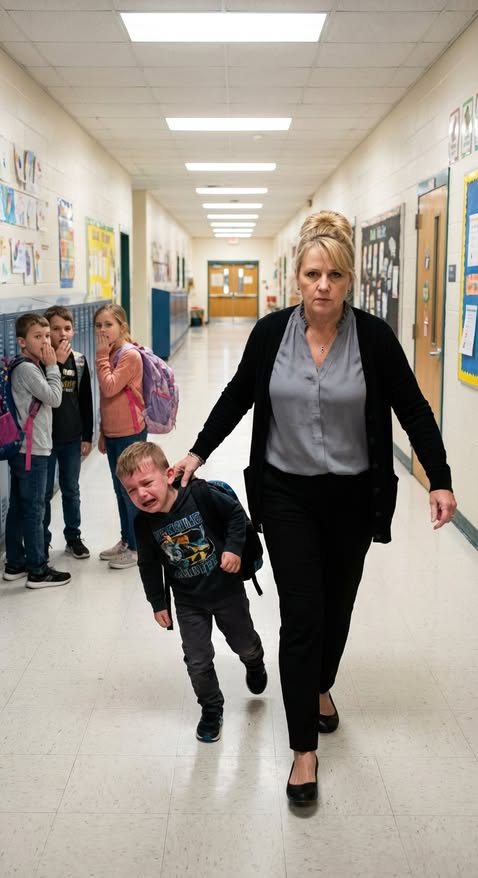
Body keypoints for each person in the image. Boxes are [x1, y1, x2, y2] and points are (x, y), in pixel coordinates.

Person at [176, 209, 456, 806]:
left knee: (337, 605)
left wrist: (440, 478)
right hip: (285, 494)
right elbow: (237, 396)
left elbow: (412, 408)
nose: (322, 285)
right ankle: (304, 748)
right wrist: (198, 451)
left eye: (333, 275)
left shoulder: (374, 338)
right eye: (311, 274)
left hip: (354, 495)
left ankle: (321, 684)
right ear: (297, 279)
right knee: (303, 612)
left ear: (348, 279)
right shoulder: (271, 334)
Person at [116, 441, 267, 743]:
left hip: (227, 590)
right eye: (131, 490)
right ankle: (211, 709)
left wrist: (234, 550)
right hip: (188, 601)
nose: (141, 494)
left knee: (243, 642)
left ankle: (254, 659)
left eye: (146, 483)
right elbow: (148, 564)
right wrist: (158, 602)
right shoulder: (143, 523)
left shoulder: (199, 495)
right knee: (196, 659)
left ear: (168, 473)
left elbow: (237, 515)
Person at [3, 313, 71, 588]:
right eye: (37, 337)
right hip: (33, 450)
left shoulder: (26, 365)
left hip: (23, 449)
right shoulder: (29, 369)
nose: (45, 342)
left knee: (19, 506)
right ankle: (38, 571)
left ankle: (15, 563)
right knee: (33, 510)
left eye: (46, 336)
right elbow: (54, 398)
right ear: (22, 342)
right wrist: (54, 366)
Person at [94, 304, 147, 569]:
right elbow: (105, 400)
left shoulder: (128, 355)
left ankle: (138, 548)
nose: (102, 331)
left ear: (122, 327)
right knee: (119, 489)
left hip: (130, 431)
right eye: (99, 325)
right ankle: (126, 540)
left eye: (108, 325)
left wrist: (102, 357)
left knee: (132, 491)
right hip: (114, 431)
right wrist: (103, 432)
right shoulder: (111, 353)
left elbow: (110, 386)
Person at [43, 306, 93, 561]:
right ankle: (42, 540)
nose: (62, 333)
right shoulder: (41, 362)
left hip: (72, 438)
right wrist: (58, 365)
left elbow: (86, 401)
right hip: (45, 441)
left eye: (67, 328)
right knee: (43, 493)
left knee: (71, 489)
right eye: (55, 328)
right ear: (46, 331)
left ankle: (73, 537)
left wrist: (88, 436)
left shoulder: (81, 360)